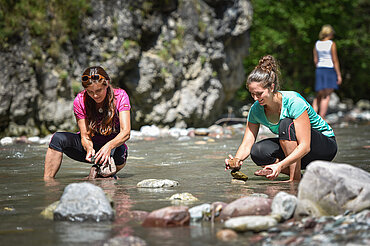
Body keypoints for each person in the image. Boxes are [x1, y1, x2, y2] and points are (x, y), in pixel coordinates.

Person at [225, 55, 337, 182]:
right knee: (257, 151)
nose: (255, 98)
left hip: (323, 147)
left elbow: (305, 146)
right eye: (252, 94)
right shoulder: (256, 110)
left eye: (259, 93)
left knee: (286, 124)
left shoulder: (294, 102)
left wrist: (280, 165)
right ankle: (301, 177)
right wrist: (236, 160)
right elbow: (247, 143)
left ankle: (293, 181)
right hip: (297, 152)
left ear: (271, 87)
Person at [43, 66, 131, 180]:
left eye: (99, 90)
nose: (95, 95)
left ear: (107, 84)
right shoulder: (80, 100)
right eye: (90, 92)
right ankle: (48, 182)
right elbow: (84, 136)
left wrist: (109, 146)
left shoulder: (120, 96)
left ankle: (100, 172)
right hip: (92, 148)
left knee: (120, 151)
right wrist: (89, 148)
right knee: (58, 138)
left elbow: (126, 132)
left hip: (114, 150)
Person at [312, 24, 342, 119]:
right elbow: (335, 60)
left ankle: (312, 116)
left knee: (319, 95)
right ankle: (321, 118)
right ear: (330, 33)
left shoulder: (317, 44)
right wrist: (338, 75)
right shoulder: (331, 44)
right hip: (329, 69)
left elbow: (315, 60)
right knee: (327, 95)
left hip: (319, 69)